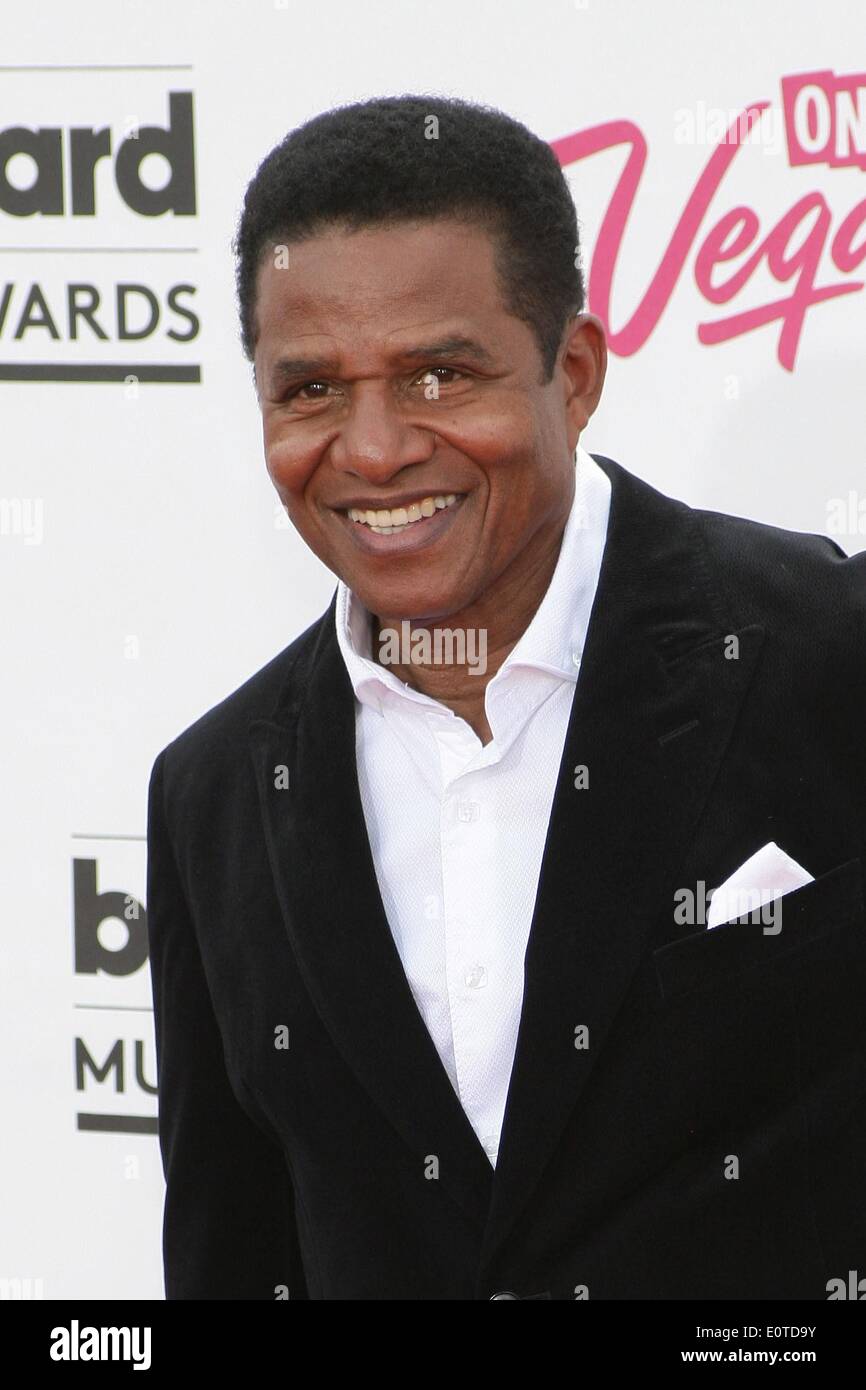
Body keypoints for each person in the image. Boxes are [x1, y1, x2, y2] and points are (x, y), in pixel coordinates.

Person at [146, 93, 866, 1300]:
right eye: (311, 389)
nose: (373, 450)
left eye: (439, 373)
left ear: (572, 373)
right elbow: (235, 1246)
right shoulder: (215, 791)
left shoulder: (827, 657)